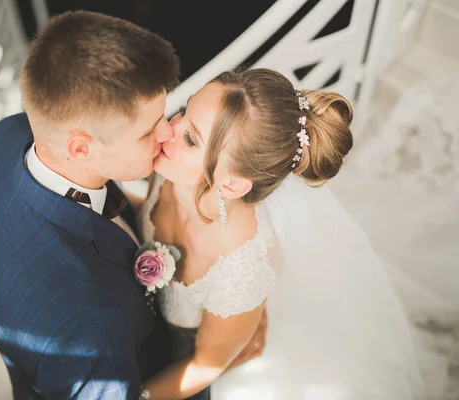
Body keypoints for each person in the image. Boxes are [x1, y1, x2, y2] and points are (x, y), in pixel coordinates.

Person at [0, 11, 265, 400]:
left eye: (165, 113)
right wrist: (218, 364)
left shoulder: (8, 137)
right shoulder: (84, 328)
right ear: (81, 147)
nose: (167, 133)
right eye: (147, 131)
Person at [137, 68, 437, 399]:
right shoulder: (170, 170)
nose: (166, 129)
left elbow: (207, 365)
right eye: (182, 112)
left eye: (191, 139)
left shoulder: (240, 268)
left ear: (233, 184)